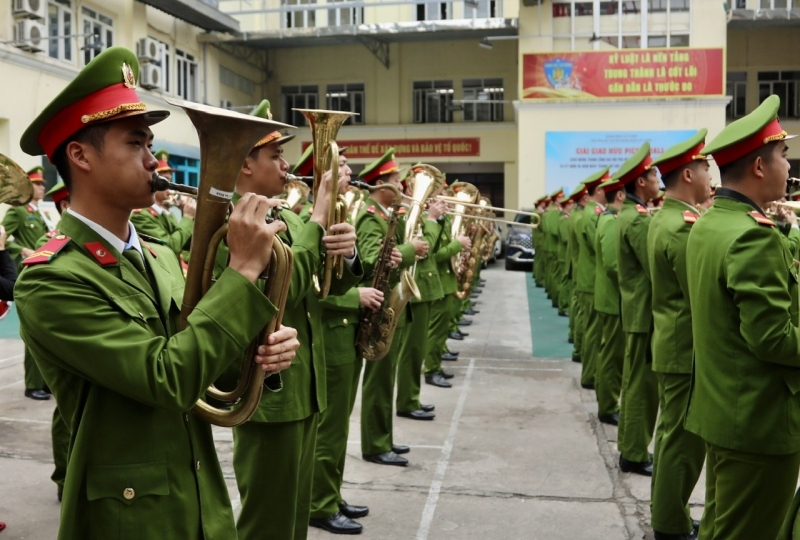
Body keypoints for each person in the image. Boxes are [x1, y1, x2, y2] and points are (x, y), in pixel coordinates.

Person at [14, 46, 300, 540]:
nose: (153, 159)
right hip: (129, 519)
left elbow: (207, 367)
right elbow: (167, 378)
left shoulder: (160, 256)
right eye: (136, 144)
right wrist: (244, 271)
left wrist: (259, 358)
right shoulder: (52, 279)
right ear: (80, 156)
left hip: (200, 499)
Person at [216, 100, 361, 540]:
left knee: (294, 521)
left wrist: (346, 251)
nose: (286, 165)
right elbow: (272, 295)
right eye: (275, 155)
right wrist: (319, 219)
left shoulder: (290, 220)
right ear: (245, 164)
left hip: (308, 386)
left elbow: (324, 290)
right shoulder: (232, 225)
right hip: (270, 396)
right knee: (268, 523)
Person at [685, 95, 799, 540]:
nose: (789, 168)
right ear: (758, 167)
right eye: (784, 156)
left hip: (725, 411)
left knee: (723, 526)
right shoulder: (753, 238)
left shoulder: (710, 224)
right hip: (759, 420)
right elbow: (772, 339)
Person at [647, 129, 712, 540]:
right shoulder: (684, 226)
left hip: (673, 344)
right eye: (705, 166)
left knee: (672, 437)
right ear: (688, 174)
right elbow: (701, 295)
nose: (710, 173)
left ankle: (667, 516)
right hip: (685, 348)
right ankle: (670, 525)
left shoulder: (666, 216)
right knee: (682, 445)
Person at [309, 150, 374, 535]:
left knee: (339, 430)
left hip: (345, 334)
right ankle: (319, 504)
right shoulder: (308, 222)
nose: (350, 172)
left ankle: (330, 494)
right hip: (329, 337)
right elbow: (310, 288)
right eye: (343, 166)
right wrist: (355, 297)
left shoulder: (340, 215)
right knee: (328, 431)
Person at [356, 148, 422, 467]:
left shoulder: (384, 214)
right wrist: (409, 250)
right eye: (396, 179)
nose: (402, 184)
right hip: (378, 306)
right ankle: (375, 443)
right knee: (378, 380)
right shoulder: (370, 216)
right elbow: (371, 260)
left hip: (386, 302)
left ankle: (384, 439)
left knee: (386, 378)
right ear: (382, 184)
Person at [615, 142, 660, 477]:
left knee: (635, 382)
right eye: (653, 174)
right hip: (644, 311)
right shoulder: (638, 220)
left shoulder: (631, 214)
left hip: (636, 310)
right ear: (640, 183)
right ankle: (634, 451)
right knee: (641, 387)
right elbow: (656, 269)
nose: (658, 178)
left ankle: (630, 447)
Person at [396, 171, 447, 409]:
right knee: (411, 351)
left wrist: (436, 220)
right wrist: (433, 220)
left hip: (425, 286)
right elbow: (423, 248)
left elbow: (433, 246)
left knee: (416, 350)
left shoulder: (418, 214)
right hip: (414, 286)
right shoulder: (406, 213)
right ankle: (408, 401)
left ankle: (412, 397)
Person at [593, 176, 626, 426]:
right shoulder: (610, 221)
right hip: (614, 298)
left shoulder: (609, 219)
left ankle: (607, 402)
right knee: (612, 357)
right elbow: (614, 265)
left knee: (612, 355)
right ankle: (607, 406)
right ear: (621, 196)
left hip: (613, 298)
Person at [575, 168, 610, 389]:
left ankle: (590, 375)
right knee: (594, 333)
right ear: (599, 190)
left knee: (593, 331)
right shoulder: (594, 215)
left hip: (589, 278)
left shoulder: (592, 212)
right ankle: (590, 376)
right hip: (591, 280)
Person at [130, 149, 196, 254]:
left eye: (169, 181)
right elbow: (169, 247)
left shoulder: (166, 212)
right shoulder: (140, 215)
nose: (168, 186)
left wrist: (187, 213)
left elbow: (188, 244)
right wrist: (187, 218)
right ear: (154, 183)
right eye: (164, 181)